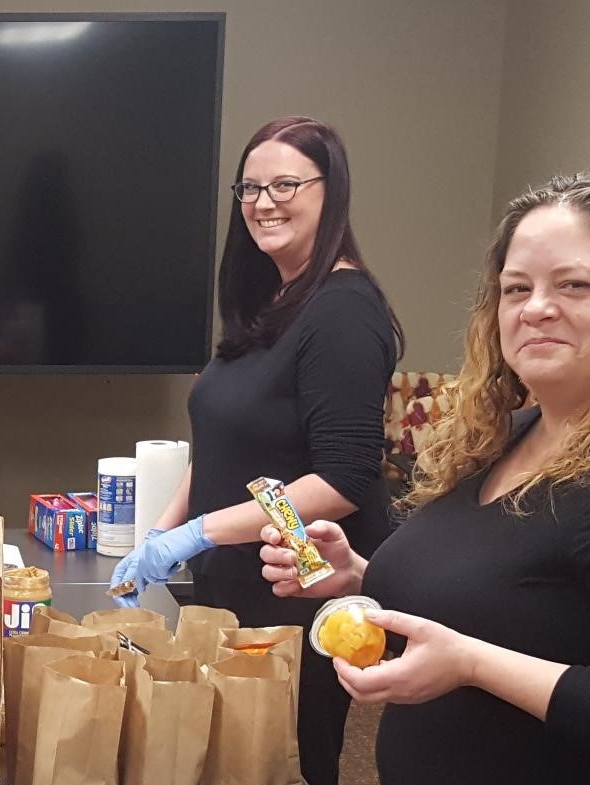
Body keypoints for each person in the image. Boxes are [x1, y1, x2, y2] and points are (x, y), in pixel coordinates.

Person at [260, 173, 590, 785]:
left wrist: (473, 666)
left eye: (574, 285)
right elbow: (522, 604)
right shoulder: (506, 437)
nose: (536, 308)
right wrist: (362, 575)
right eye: (516, 289)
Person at [111, 116, 403, 785]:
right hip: (229, 582)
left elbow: (341, 476)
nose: (263, 202)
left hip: (295, 587)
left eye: (285, 184)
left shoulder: (343, 310)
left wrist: (194, 532)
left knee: (284, 761)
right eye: (250, 187)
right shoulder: (269, 302)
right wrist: (157, 535)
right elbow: (217, 439)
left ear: (331, 192)